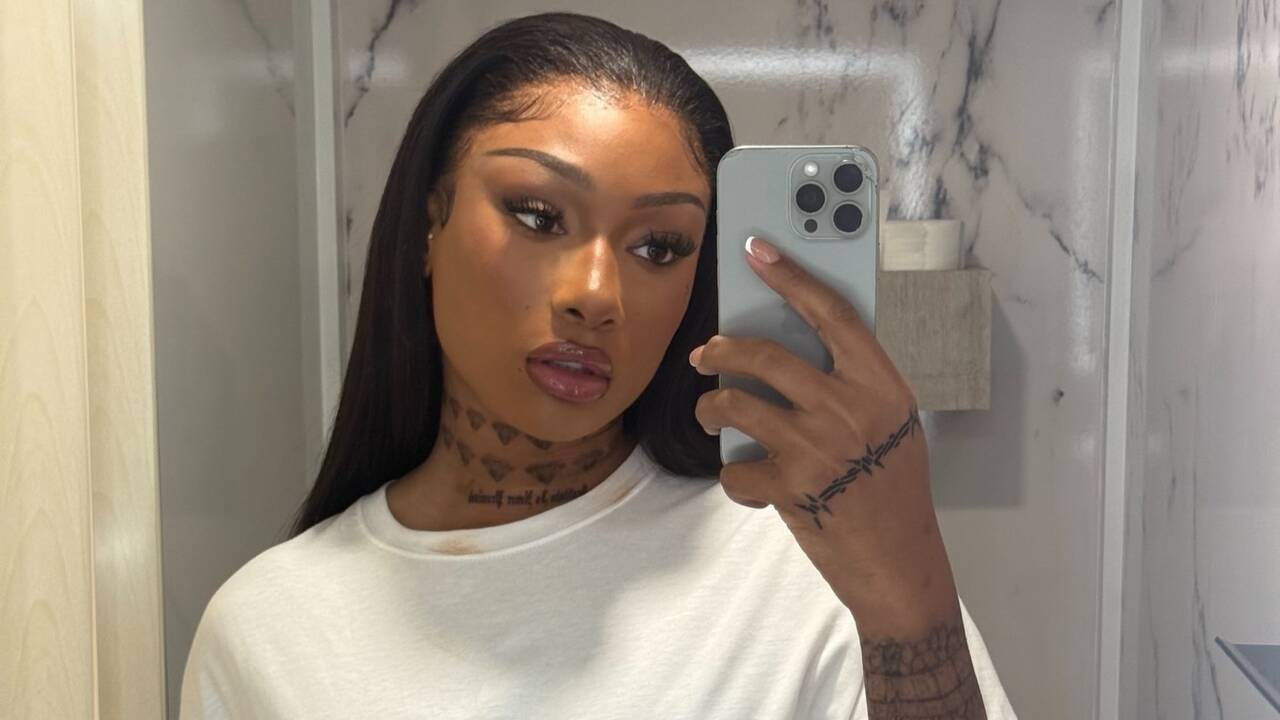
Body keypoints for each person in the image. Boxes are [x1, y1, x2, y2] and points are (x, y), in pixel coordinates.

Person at [180, 11, 1017, 719]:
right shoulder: (268, 630)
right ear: (430, 220)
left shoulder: (808, 573)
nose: (595, 295)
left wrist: (911, 596)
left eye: (659, 247)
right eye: (537, 215)